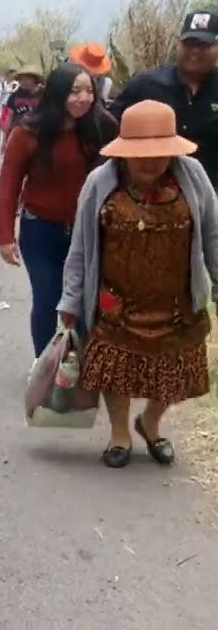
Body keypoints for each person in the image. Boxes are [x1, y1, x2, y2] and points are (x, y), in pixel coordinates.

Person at [58, 100, 218, 468]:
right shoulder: (100, 182)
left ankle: (150, 423)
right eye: (142, 156)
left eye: (161, 154)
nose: (152, 163)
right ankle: (119, 435)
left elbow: (212, 232)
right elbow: (80, 247)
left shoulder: (192, 175)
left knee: (175, 371)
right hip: (116, 301)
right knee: (116, 371)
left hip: (177, 302)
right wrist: (70, 300)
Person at [0, 62, 115, 359]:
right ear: (58, 93)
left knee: (85, 301)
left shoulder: (103, 126)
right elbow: (9, 185)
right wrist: (5, 237)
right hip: (41, 232)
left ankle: (82, 363)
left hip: (87, 233)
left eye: (89, 91)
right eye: (75, 91)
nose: (83, 98)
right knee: (48, 300)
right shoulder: (27, 133)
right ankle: (45, 366)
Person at [110, 9, 218, 183]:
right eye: (189, 44)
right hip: (146, 190)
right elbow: (110, 126)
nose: (194, 51)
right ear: (178, 46)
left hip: (209, 191)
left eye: (203, 45)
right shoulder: (146, 83)